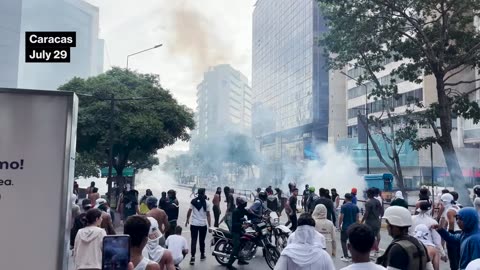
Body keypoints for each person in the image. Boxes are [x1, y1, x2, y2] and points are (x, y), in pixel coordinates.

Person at [376, 206, 432, 270]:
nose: (387, 227)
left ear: (394, 226)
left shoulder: (397, 248)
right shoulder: (419, 243)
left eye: (388, 224)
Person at [410, 202, 446, 270]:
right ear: (430, 209)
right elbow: (437, 241)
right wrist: (443, 254)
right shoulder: (432, 222)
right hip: (428, 248)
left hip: (412, 246)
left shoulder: (411, 219)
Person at [185, 188, 211, 265]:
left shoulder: (193, 201)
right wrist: (210, 226)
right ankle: (202, 255)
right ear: (204, 193)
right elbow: (208, 215)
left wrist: (187, 220)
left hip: (194, 224)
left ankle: (192, 257)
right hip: (203, 224)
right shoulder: (207, 203)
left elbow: (189, 211)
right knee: (202, 240)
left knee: (194, 240)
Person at [226, 196, 250, 270]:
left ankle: (240, 259)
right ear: (240, 203)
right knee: (236, 247)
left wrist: (260, 217)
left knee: (246, 240)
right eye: (244, 202)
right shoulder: (236, 211)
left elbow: (250, 215)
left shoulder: (243, 210)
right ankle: (229, 264)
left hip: (240, 230)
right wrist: (242, 223)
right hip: (235, 231)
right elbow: (234, 224)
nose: (245, 203)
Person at [439, 193, 461, 270]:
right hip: (460, 232)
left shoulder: (449, 211)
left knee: (452, 255)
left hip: (454, 232)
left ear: (445, 201)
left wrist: (449, 233)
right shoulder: (456, 207)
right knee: (458, 255)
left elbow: (451, 222)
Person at [338, 193, 360, 262]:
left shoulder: (344, 206)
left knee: (343, 241)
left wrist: (339, 225)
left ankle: (346, 256)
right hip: (353, 227)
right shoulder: (355, 207)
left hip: (345, 227)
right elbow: (357, 218)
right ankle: (353, 255)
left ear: (346, 198)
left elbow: (341, 217)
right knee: (352, 241)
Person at [362, 188, 383, 257]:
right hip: (377, 221)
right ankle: (376, 251)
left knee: (369, 237)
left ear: (369, 194)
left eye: (367, 193)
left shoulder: (368, 203)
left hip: (370, 222)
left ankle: (372, 250)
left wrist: (362, 221)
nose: (366, 194)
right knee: (375, 236)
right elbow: (382, 211)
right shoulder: (378, 201)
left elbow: (366, 214)